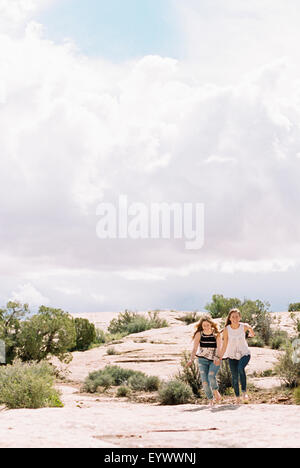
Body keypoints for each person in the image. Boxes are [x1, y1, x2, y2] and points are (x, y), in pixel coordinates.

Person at [218, 308, 255, 404]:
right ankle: (238, 398)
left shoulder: (243, 326)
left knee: (240, 368)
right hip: (232, 356)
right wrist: (220, 357)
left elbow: (251, 328)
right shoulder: (227, 330)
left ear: (240, 317)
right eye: (233, 317)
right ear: (230, 318)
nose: (235, 318)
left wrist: (251, 333)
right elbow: (225, 344)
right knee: (234, 377)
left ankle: (244, 392)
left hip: (244, 354)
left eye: (237, 316)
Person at [186, 316, 222, 405]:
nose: (206, 327)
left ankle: (216, 391)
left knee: (211, 376)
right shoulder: (199, 333)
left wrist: (217, 358)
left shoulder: (216, 334)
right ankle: (210, 400)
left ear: (211, 324)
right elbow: (195, 348)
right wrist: (191, 359)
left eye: (207, 325)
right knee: (205, 382)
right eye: (204, 325)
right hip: (202, 360)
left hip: (214, 359)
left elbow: (219, 348)